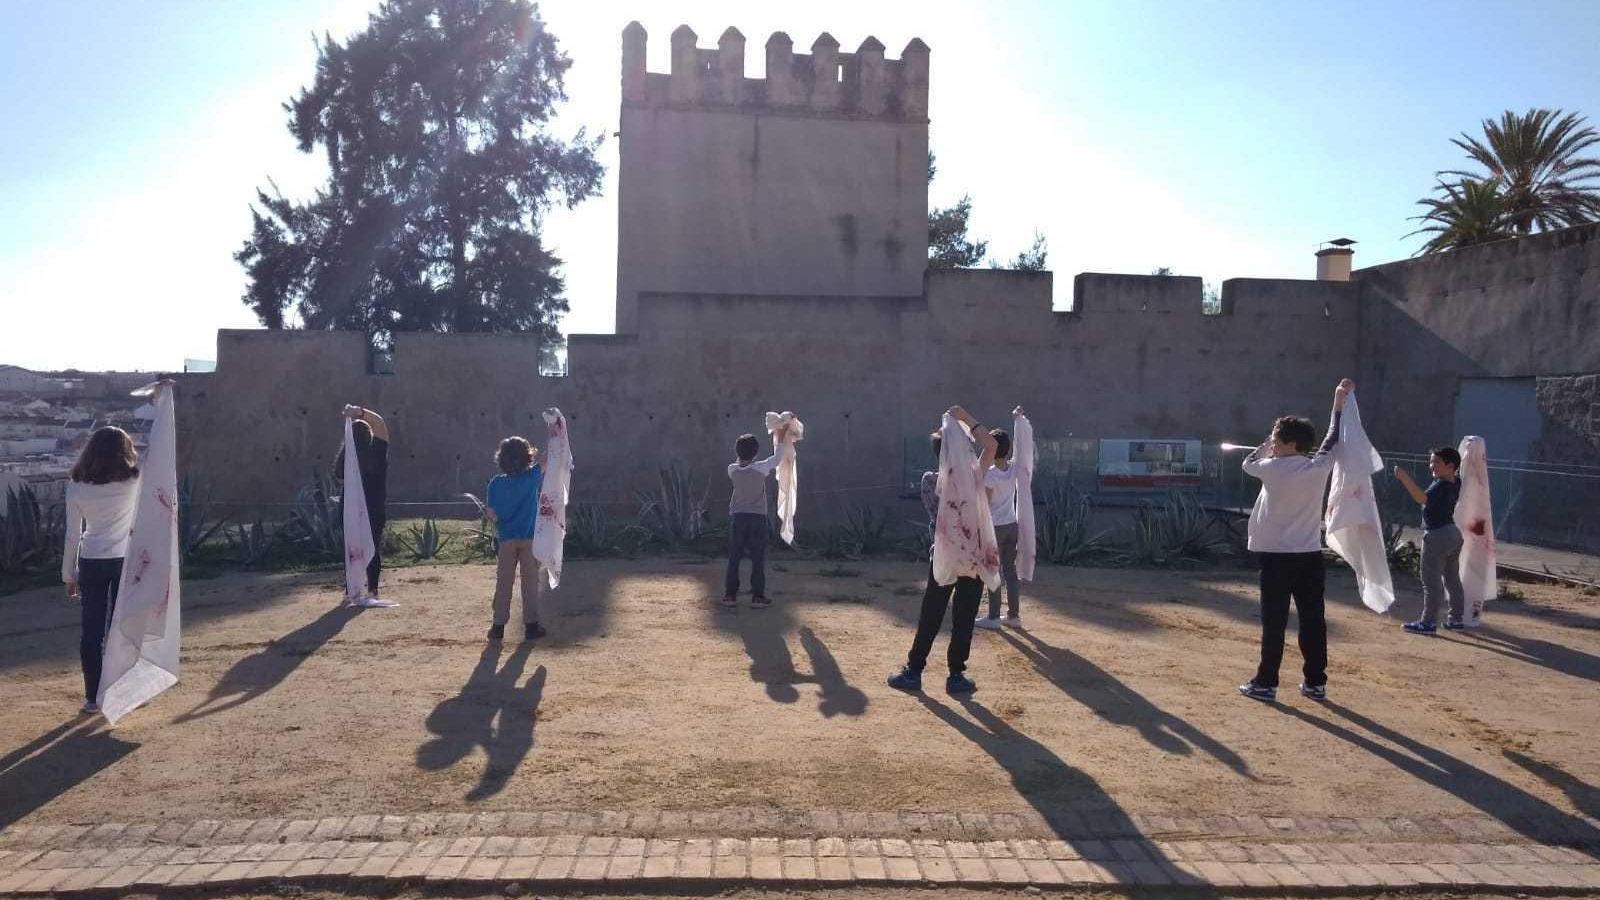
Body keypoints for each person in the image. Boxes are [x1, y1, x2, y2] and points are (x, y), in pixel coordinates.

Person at [1237, 379, 1352, 703]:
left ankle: (1266, 682)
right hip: (1309, 555)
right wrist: (1338, 402)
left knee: (1274, 622)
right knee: (1313, 620)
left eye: (1276, 439)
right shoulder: (1318, 466)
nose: (1273, 443)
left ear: (1289, 443)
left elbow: (1248, 463)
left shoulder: (1271, 467)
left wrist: (1265, 444)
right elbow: (1332, 437)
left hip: (1276, 558)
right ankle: (1315, 681)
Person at [889, 405, 998, 696]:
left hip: (944, 558)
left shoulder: (931, 481)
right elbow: (992, 445)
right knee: (964, 616)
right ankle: (955, 675)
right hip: (972, 560)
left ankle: (914, 671)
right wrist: (965, 416)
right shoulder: (975, 476)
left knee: (932, 614)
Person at [62, 426, 141, 714]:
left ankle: (93, 698)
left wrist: (68, 575)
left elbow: (72, 535)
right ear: (124, 451)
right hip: (124, 560)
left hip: (91, 560)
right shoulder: (134, 481)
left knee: (91, 633)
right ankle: (122, 690)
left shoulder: (77, 486)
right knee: (121, 627)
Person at [1393, 447, 1466, 633]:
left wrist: (1404, 478)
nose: (1431, 465)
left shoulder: (1441, 485)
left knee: (1431, 582)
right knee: (1452, 579)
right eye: (1431, 461)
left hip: (1437, 536)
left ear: (1450, 466)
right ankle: (1456, 619)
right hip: (1453, 535)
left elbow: (1421, 498)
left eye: (1436, 462)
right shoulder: (1456, 482)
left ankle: (1428, 623)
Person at [484, 434, 548, 642]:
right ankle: (531, 626)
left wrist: (492, 514)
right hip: (529, 539)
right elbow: (547, 459)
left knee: (503, 583)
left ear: (501, 459)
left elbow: (492, 515)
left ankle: (498, 627)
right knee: (530, 583)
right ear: (527, 457)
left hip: (506, 540)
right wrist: (556, 431)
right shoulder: (532, 478)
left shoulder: (495, 484)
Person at [722, 423, 792, 609]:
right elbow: (777, 457)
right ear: (755, 453)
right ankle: (757, 597)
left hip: (738, 517)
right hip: (757, 518)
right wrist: (779, 435)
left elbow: (740, 463)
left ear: (737, 451)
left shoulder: (732, 469)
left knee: (734, 557)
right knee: (758, 558)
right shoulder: (761, 468)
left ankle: (730, 595)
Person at [333, 405, 389, 602]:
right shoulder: (377, 453)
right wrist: (359, 412)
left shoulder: (345, 459)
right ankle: (372, 589)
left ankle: (351, 589)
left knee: (351, 549)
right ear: (369, 434)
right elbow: (380, 422)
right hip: (373, 509)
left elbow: (338, 475)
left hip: (349, 509)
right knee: (372, 548)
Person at [975, 426, 1021, 630]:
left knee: (993, 571)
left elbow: (985, 505)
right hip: (1011, 525)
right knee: (1010, 572)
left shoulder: (990, 475)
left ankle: (993, 616)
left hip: (995, 527)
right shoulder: (1013, 469)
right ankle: (1013, 615)